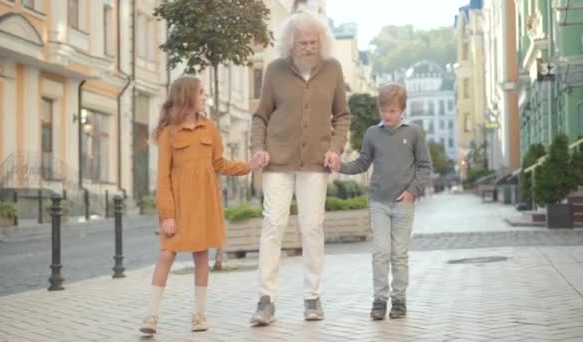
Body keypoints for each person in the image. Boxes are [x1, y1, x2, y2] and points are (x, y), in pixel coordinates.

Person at [248, 10, 351, 325]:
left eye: (313, 42)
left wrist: (334, 150)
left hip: (315, 163)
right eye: (303, 42)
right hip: (277, 161)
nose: (309, 47)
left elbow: (342, 115)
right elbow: (261, 116)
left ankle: (312, 298)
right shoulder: (275, 70)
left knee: (312, 228)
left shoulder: (333, 69)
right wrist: (258, 149)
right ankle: (266, 300)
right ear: (290, 44)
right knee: (273, 226)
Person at [140, 75, 256, 335]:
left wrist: (249, 165)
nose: (205, 96)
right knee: (166, 254)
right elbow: (163, 177)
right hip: (179, 206)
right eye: (201, 92)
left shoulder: (210, 129)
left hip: (204, 203)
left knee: (202, 257)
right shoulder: (168, 132)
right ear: (187, 96)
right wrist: (167, 215)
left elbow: (220, 164)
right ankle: (150, 315)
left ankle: (199, 315)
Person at [330, 82, 432, 320]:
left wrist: (412, 191)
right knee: (380, 252)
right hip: (378, 202)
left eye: (392, 111)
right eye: (384, 111)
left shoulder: (414, 133)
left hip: (403, 203)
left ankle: (399, 300)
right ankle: (379, 300)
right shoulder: (372, 134)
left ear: (402, 109)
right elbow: (363, 163)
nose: (387, 115)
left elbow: (425, 166)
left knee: (399, 254)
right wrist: (341, 166)